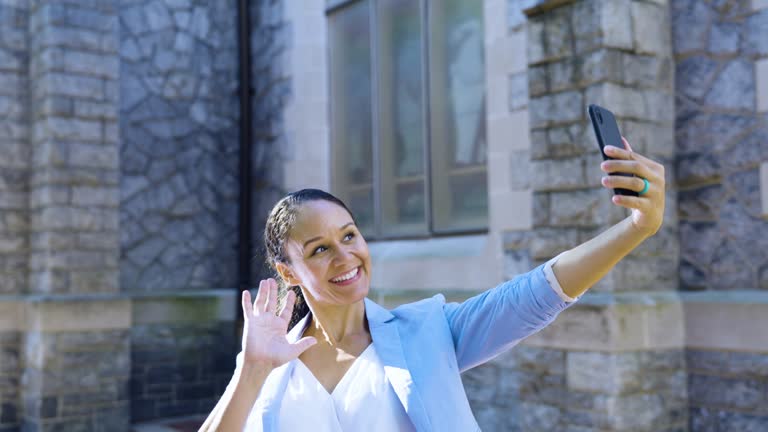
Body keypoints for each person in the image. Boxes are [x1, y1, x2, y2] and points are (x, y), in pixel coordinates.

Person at [199, 138, 666, 431]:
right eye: (319, 249)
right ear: (287, 273)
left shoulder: (426, 331)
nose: (345, 257)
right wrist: (252, 369)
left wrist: (636, 230)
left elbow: (534, 294)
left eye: (349, 236)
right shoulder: (268, 363)